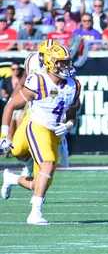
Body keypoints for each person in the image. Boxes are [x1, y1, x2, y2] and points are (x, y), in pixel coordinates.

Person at [0, 44, 81, 225]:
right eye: (62, 63)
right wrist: (4, 135)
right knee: (47, 164)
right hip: (37, 126)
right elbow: (11, 105)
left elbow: (72, 115)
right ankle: (34, 213)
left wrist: (68, 125)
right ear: (51, 63)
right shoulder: (38, 80)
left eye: (67, 63)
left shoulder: (73, 85)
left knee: (41, 183)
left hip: (55, 133)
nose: (66, 67)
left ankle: (12, 178)